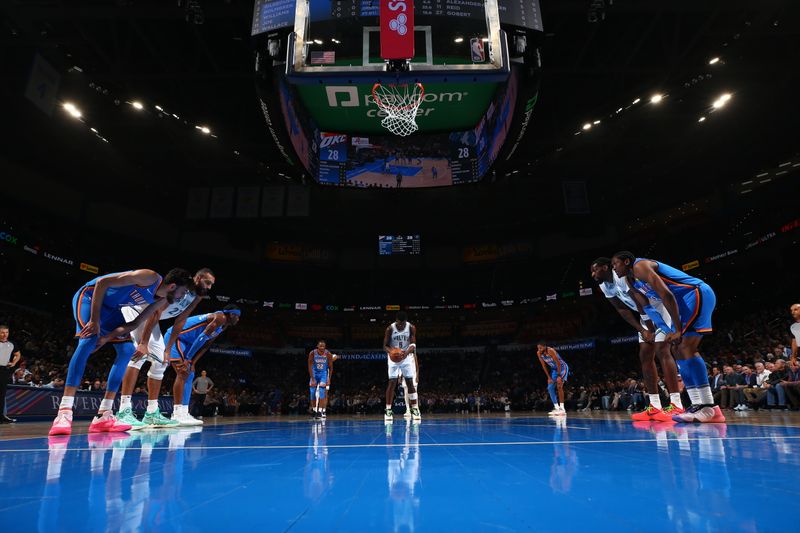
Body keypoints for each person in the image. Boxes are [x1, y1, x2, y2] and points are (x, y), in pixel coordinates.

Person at [49, 268, 194, 436]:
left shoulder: (162, 300)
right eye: (183, 292)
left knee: (127, 350)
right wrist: (95, 321)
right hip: (91, 297)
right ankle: (64, 413)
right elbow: (102, 284)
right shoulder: (150, 277)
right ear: (172, 286)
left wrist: (107, 337)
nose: (182, 297)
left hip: (113, 310)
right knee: (89, 339)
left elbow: (134, 323)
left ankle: (104, 415)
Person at [611, 252, 724, 423]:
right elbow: (648, 308)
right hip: (681, 304)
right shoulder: (630, 280)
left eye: (615, 264)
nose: (614, 268)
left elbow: (666, 295)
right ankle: (697, 405)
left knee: (686, 348)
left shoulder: (640, 266)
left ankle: (709, 406)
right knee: (677, 349)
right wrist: (666, 330)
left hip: (695, 293)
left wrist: (677, 330)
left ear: (626, 262)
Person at [115, 268, 216, 430]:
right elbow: (155, 312)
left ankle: (151, 413)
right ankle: (124, 411)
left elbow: (180, 322)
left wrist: (168, 349)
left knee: (162, 362)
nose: (209, 287)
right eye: (207, 282)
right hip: (138, 311)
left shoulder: (196, 297)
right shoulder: (180, 287)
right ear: (197, 278)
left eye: (212, 285)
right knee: (138, 356)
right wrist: (144, 343)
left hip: (151, 320)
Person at [591, 258, 684, 422]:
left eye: (595, 270)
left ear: (605, 268)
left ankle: (677, 404)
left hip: (658, 309)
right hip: (645, 316)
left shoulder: (621, 276)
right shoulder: (604, 285)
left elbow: (640, 299)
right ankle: (655, 406)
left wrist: (648, 327)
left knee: (662, 350)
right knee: (645, 356)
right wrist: (642, 329)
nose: (593, 274)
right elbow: (621, 308)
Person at [167, 306, 241, 426]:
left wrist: (193, 362)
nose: (238, 319)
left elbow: (206, 345)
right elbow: (202, 337)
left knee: (190, 373)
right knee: (182, 373)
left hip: (188, 343)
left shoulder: (224, 325)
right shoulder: (220, 317)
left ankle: (184, 412)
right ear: (231, 314)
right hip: (177, 337)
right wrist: (187, 358)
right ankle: (176, 413)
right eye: (237, 316)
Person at [383, 312, 421, 422]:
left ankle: (415, 409)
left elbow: (413, 344)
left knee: (410, 382)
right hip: (393, 358)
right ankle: (388, 410)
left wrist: (405, 353)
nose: (400, 326)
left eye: (402, 324)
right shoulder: (390, 328)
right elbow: (384, 345)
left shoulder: (411, 327)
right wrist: (393, 352)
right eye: (399, 324)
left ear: (406, 322)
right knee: (392, 382)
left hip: (407, 356)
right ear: (396, 321)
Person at [536, 342, 569, 417]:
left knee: (559, 385)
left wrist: (559, 376)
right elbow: (544, 365)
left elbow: (558, 363)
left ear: (545, 347)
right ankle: (557, 408)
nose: (539, 349)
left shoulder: (551, 350)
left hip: (562, 368)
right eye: (538, 348)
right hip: (554, 369)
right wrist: (549, 377)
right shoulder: (538, 353)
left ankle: (562, 408)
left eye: (540, 348)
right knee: (550, 387)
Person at [0, 324, 22, 423]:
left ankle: (1, 417)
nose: (5, 334)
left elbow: (17, 354)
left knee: (2, 394)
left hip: (4, 370)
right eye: (2, 332)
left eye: (6, 332)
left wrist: (13, 363)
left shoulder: (12, 344)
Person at [307, 340, 334, 419]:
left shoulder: (328, 354)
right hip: (314, 373)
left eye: (323, 346)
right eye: (320, 346)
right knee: (312, 393)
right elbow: (309, 366)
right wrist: (312, 378)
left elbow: (331, 367)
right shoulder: (312, 353)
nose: (322, 348)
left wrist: (329, 378)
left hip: (323, 374)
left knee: (322, 392)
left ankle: (320, 411)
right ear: (317, 346)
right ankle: (314, 410)